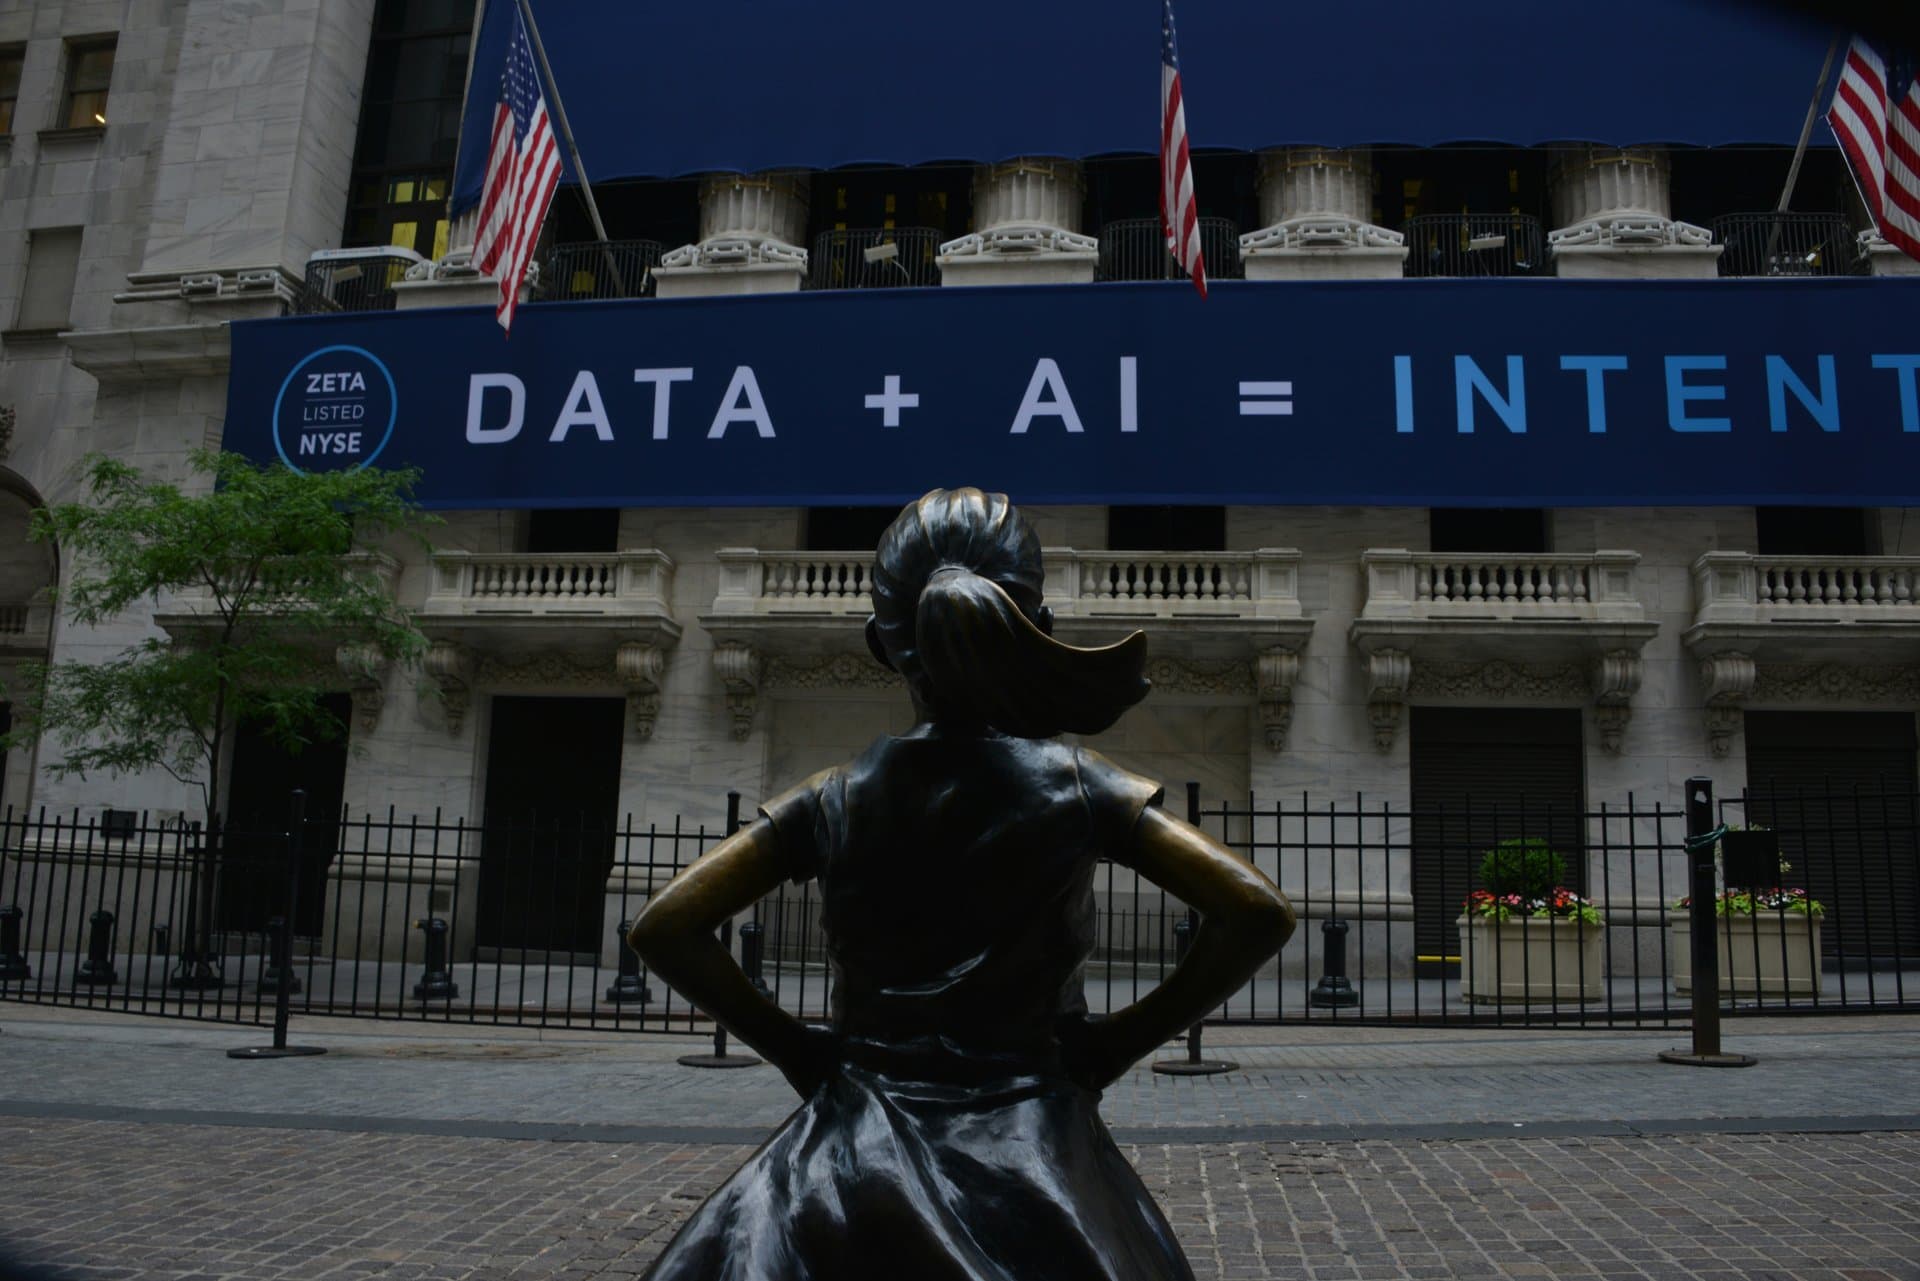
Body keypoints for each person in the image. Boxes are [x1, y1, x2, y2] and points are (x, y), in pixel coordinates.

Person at [630, 488, 1295, 1281]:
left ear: (882, 644)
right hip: (1029, 1137)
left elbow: (666, 924)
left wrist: (801, 1053)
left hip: (850, 1145)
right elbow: (1254, 906)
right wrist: (1114, 1046)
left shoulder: (833, 796)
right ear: (1038, 628)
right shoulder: (1081, 785)